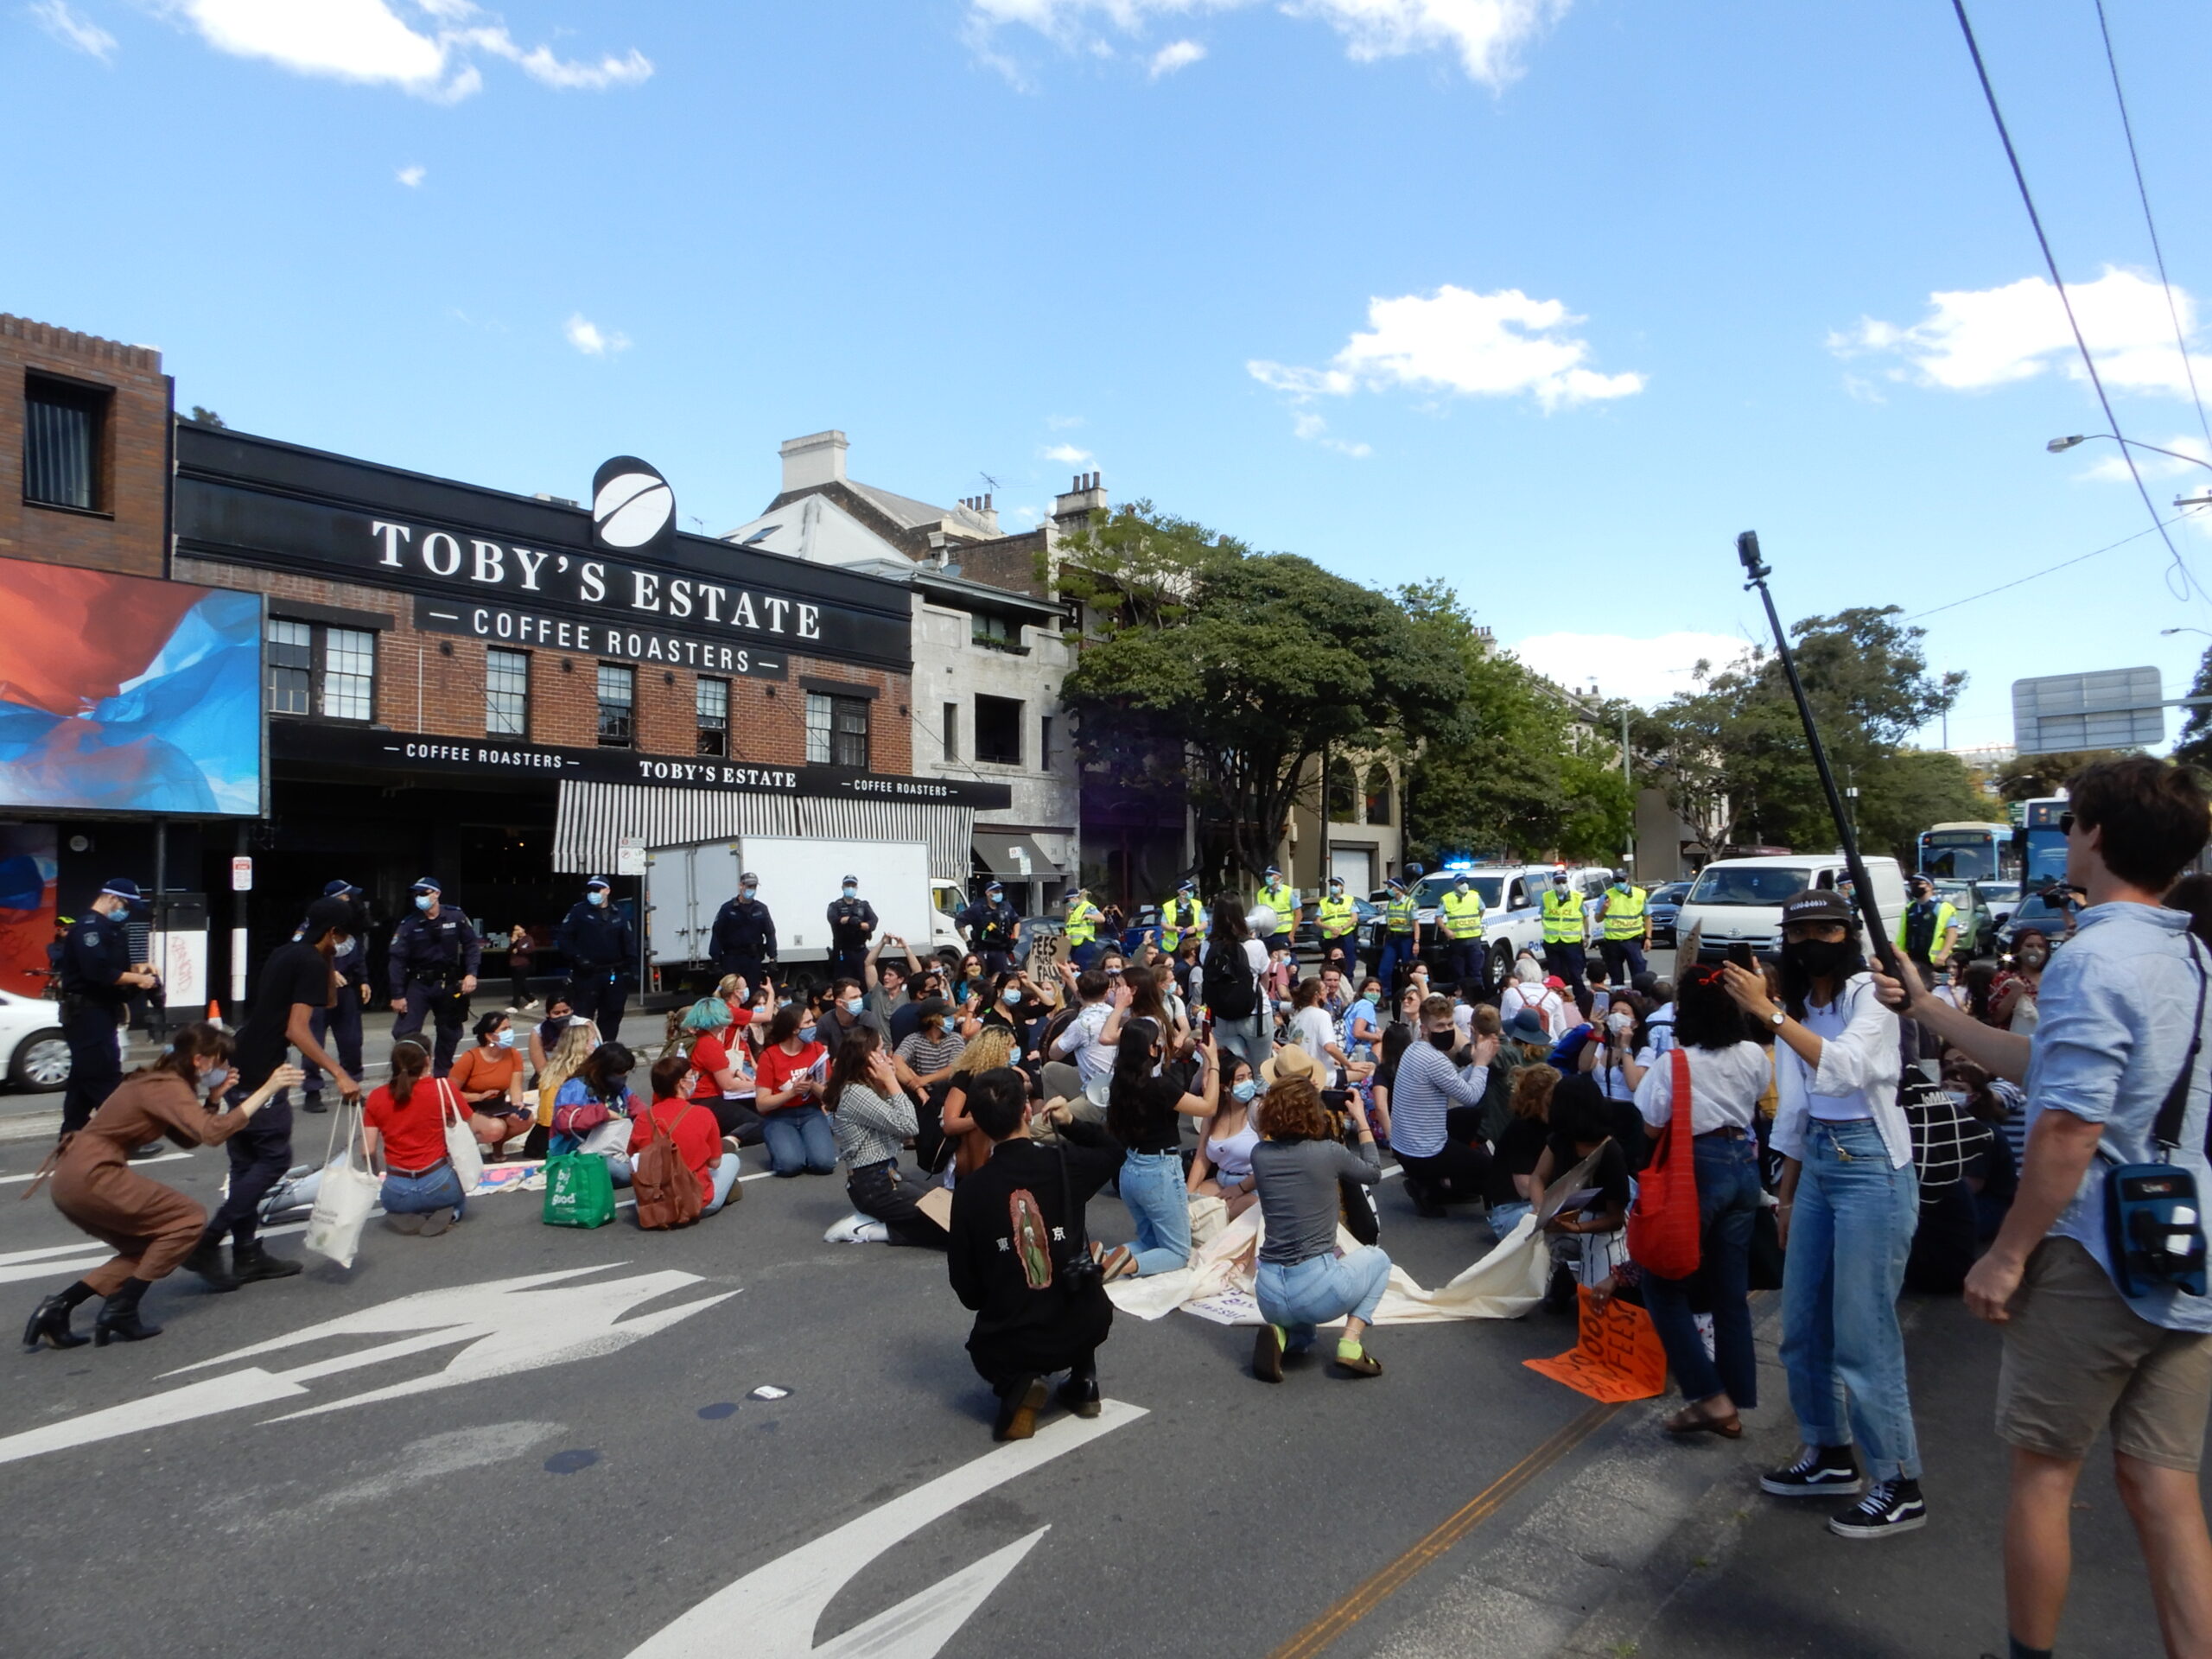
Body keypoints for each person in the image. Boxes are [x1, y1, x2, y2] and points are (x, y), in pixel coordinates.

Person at [1878, 758, 2212, 1656]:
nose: (2066, 838)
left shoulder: (2090, 955)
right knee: (2163, 1484)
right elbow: (2054, 1070)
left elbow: (2066, 1124)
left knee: (2043, 1476)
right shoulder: (2191, 955)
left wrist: (2009, 1252)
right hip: (2182, 1248)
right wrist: (1927, 1010)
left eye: (2071, 825)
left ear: (2098, 835)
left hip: (2088, 1255)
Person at [1720, 888, 1921, 1539]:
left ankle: (1897, 1478)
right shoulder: (1805, 1003)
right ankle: (1829, 1451)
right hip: (1818, 1166)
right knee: (1801, 1321)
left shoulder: (1873, 994)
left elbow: (1843, 1069)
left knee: (1864, 1332)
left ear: (1850, 934)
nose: (1813, 942)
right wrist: (1785, 1193)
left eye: (1828, 931)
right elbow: (1799, 1108)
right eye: (1800, 930)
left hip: (1870, 1165)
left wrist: (1769, 1014)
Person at [24, 1027, 301, 1349]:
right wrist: (267, 1089)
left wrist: (212, 1100)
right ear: (200, 1060)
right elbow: (212, 1135)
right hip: (94, 1172)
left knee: (145, 1249)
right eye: (222, 1062)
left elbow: (189, 1138)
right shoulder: (167, 1087)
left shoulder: (161, 1081)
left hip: (74, 1174)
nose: (226, 1069)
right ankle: (122, 1308)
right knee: (189, 1219)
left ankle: (58, 1307)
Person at [190, 893, 362, 1289]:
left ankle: (247, 1254)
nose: (344, 943)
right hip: (265, 1069)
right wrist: (339, 1072)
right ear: (334, 932)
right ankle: (210, 1239)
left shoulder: (290, 953)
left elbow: (330, 1000)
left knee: (246, 1164)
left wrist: (329, 957)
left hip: (240, 1060)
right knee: (273, 1158)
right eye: (342, 937)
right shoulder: (306, 962)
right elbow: (297, 1029)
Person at [1630, 964, 1770, 1440]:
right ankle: (1733, 1403)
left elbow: (1651, 1124)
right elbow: (1755, 1100)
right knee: (1731, 1293)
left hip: (1696, 1168)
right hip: (1743, 1165)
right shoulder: (1753, 1053)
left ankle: (1708, 1396)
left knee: (1664, 1283)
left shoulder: (1676, 1063)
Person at [947, 1067, 1121, 1440]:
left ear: (976, 1121)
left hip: (1014, 1334)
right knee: (1075, 1276)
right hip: (1085, 1320)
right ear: (1028, 1110)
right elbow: (1113, 1151)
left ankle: (1019, 1386)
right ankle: (1084, 1381)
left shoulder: (971, 1191)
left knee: (985, 1347)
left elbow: (966, 1286)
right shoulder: (1063, 1164)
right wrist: (1071, 1122)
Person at [1249, 1071, 1390, 1381]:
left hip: (1269, 1290)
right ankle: (1350, 1345)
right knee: (1379, 1260)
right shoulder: (1328, 1152)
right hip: (1316, 1286)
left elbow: (1266, 1133)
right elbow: (1373, 1172)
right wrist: (1361, 1121)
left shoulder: (1259, 1155)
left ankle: (1282, 1335)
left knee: (1305, 1337)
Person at [1106, 1020, 1219, 1276]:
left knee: (1150, 1243)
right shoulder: (1159, 1087)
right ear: (1150, 1049)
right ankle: (1127, 1264)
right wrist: (1213, 1062)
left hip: (1130, 1170)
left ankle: (1101, 1258)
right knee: (1178, 1253)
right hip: (1159, 1172)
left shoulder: (1119, 1084)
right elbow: (1208, 1107)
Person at [819, 1028, 946, 1249]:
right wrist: (891, 1080)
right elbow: (908, 1126)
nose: (888, 1055)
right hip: (874, 1186)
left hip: (888, 1176)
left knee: (946, 1206)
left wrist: (886, 1082)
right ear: (867, 1057)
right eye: (880, 1049)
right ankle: (871, 1230)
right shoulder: (855, 1093)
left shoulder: (867, 1088)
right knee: (949, 1230)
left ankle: (884, 1220)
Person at [57, 877, 158, 1139]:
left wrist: (139, 969)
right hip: (87, 1014)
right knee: (104, 1075)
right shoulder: (88, 929)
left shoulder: (109, 930)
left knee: (84, 1078)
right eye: (125, 904)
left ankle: (70, 1136)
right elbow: (98, 972)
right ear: (112, 898)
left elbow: (115, 969)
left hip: (100, 1011)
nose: (125, 911)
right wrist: (140, 979)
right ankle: (129, 1134)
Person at [1389, 994, 1497, 1217]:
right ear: (1425, 1028)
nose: (1446, 1029)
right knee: (1490, 1171)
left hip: (1403, 1145)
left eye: (1450, 1024)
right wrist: (1482, 1064)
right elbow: (1471, 1095)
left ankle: (1439, 1183)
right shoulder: (1434, 1060)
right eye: (1439, 1025)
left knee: (1469, 1117)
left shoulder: (1415, 1048)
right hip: (1424, 1151)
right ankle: (1435, 1187)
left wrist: (1475, 1064)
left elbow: (1453, 1080)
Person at [361, 1039, 470, 1235]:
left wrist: (376, 1172)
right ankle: (452, 1212)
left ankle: (400, 1213)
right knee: (458, 1198)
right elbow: (475, 1124)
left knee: (395, 1203)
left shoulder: (376, 1097)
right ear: (427, 1061)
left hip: (397, 1186)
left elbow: (367, 1151)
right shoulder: (442, 1088)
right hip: (438, 1180)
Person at [389, 876, 481, 1075]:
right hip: (419, 983)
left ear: (436, 894)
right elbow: (396, 960)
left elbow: (472, 945)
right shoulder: (410, 923)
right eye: (416, 894)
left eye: (423, 893)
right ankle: (408, 1074)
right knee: (405, 1032)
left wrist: (471, 974)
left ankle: (442, 1075)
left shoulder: (455, 916)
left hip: (448, 982)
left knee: (450, 1030)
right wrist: (397, 995)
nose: (418, 898)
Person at [631, 1052, 741, 1218]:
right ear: (682, 1083)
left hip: (654, 1202)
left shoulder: (643, 1118)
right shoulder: (703, 1114)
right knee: (731, 1160)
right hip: (695, 1201)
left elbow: (633, 1160)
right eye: (691, 1076)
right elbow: (715, 1163)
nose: (694, 1079)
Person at [302, 879, 370, 1114]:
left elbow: (360, 957)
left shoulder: (352, 929)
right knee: (313, 1041)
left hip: (347, 993)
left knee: (352, 1041)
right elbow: (302, 954)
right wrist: (328, 972)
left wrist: (363, 981)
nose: (352, 902)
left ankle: (352, 1086)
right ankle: (312, 1091)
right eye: (346, 897)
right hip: (318, 991)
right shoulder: (312, 928)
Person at [751, 1004, 835, 1176]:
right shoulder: (769, 1057)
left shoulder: (818, 1050)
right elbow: (762, 1104)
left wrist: (812, 1086)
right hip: (779, 1115)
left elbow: (829, 1096)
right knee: (790, 1166)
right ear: (795, 1029)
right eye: (808, 1022)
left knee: (824, 1164)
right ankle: (785, 1148)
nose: (814, 1025)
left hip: (811, 1111)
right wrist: (792, 1092)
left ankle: (804, 1146)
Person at [549, 1042, 641, 1185]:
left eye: (626, 1072)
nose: (623, 1076)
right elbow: (564, 1121)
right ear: (603, 1070)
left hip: (614, 1149)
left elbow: (641, 1113)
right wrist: (603, 1113)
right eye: (619, 1072)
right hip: (577, 1153)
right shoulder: (575, 1088)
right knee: (621, 1172)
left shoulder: (621, 1090)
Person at [556, 876, 636, 1041]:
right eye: (590, 890)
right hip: (587, 973)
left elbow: (628, 941)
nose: (593, 893)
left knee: (612, 1014)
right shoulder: (579, 911)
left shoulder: (618, 912)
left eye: (597, 890)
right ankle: (582, 1052)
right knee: (582, 1017)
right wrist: (578, 958)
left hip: (613, 973)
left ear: (607, 891)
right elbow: (564, 939)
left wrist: (630, 967)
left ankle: (606, 1049)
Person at [448, 1008, 532, 1157]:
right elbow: (449, 1093)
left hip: (497, 1105)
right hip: (471, 1107)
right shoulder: (470, 1058)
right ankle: (464, 1149)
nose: (509, 1032)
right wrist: (478, 1097)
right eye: (504, 1029)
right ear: (489, 1036)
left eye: (510, 1028)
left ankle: (498, 1145)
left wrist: (517, 1103)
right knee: (496, 1128)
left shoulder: (513, 1054)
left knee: (526, 1119)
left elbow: (515, 1087)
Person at [1200, 895, 1270, 1071]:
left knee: (1233, 1070)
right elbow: (1265, 979)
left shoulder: (1206, 946)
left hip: (1223, 1016)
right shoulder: (1256, 946)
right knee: (1260, 1070)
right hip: (1255, 1015)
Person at [1484, 1064, 1555, 1236]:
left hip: (1536, 1203)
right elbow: (1525, 1188)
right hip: (1512, 1210)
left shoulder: (1553, 1125)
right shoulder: (1522, 1130)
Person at [680, 995, 762, 1143]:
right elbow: (729, 1085)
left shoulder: (697, 1040)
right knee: (759, 1124)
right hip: (705, 1099)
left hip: (693, 1098)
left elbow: (710, 1068)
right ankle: (732, 1140)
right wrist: (759, 1085)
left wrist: (736, 1072)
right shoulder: (711, 1045)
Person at [1187, 1056, 1262, 1219]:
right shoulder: (1212, 1115)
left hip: (1253, 1184)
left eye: (1250, 1076)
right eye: (1240, 1079)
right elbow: (1201, 1158)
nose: (1247, 1083)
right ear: (1224, 1087)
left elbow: (1272, 1162)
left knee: (1216, 1218)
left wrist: (1241, 1188)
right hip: (1222, 1180)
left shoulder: (1258, 1111)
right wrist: (1188, 1195)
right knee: (1188, 1212)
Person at [709, 872, 778, 989]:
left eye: (754, 887)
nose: (752, 889)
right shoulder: (727, 909)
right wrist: (715, 960)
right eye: (749, 886)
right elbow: (717, 934)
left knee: (753, 993)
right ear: (741, 886)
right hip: (731, 959)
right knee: (733, 992)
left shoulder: (761, 909)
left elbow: (770, 933)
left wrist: (773, 958)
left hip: (753, 959)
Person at [1895, 874, 1961, 984]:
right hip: (1913, 958)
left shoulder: (1943, 907)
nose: (1913, 887)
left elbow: (1952, 933)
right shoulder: (1910, 908)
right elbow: (1903, 934)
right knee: (1916, 988)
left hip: (1936, 961)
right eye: (1911, 884)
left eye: (1918, 884)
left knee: (1941, 987)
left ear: (1930, 886)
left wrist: (1943, 955)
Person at [1595, 873, 1651, 985]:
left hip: (1632, 941)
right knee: (1616, 977)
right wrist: (1604, 910)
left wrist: (1648, 938)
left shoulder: (1640, 894)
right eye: (1616, 881)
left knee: (1639, 975)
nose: (1619, 883)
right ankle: (1618, 998)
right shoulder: (1606, 896)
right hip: (1613, 943)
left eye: (1621, 880)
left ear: (1627, 880)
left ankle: (1639, 998)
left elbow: (1648, 917)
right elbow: (1597, 919)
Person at [1993, 929, 2051, 1036]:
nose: (2036, 950)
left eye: (2040, 946)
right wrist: (2014, 993)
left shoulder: (2053, 977)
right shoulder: (2006, 978)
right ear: (2018, 949)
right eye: (2029, 946)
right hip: (2016, 1040)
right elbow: (1997, 1017)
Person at [1439, 874, 1489, 995]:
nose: (1464, 885)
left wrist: (1477, 920)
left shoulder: (1475, 896)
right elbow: (1438, 917)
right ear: (1455, 884)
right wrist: (1446, 930)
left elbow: (1482, 909)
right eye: (1461, 882)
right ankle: (1462, 996)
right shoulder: (1447, 898)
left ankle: (1478, 996)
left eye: (1466, 882)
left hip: (1473, 938)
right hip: (1457, 941)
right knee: (1459, 973)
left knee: (1475, 971)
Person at [960, 881, 1023, 976]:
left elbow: (1016, 921)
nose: (999, 893)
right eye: (996, 891)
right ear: (988, 893)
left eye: (1000, 891)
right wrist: (967, 940)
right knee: (981, 977)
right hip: (982, 949)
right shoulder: (977, 908)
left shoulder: (1006, 906)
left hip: (1000, 950)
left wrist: (1015, 938)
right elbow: (959, 922)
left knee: (1001, 977)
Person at [825, 874, 878, 987]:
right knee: (843, 984)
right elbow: (834, 920)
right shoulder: (835, 906)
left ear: (857, 887)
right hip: (843, 951)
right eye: (848, 885)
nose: (850, 887)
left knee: (864, 982)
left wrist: (859, 924)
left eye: (853, 885)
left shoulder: (863, 905)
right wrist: (849, 920)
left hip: (860, 951)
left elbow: (873, 922)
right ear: (842, 887)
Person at [1540, 870, 1587, 988]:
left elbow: (1585, 917)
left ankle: (1581, 999)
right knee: (1555, 976)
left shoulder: (1577, 897)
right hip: (1552, 942)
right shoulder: (1546, 897)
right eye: (1558, 881)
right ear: (1553, 883)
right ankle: (1556, 1000)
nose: (1561, 884)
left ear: (1567, 882)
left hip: (1571, 942)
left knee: (1575, 974)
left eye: (1563, 881)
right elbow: (1542, 916)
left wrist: (1587, 935)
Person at [1315, 875, 1360, 981]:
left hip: (1345, 935)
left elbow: (1354, 918)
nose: (1333, 887)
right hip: (1330, 937)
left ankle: (1348, 985)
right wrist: (1331, 928)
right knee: (1329, 964)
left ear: (1342, 887)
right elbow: (1317, 921)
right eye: (1331, 885)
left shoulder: (1349, 900)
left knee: (1348, 963)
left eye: (1336, 885)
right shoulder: (1324, 902)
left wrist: (1341, 929)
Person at [1255, 866, 1299, 955]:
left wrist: (1291, 934)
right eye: (1266, 875)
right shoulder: (1261, 893)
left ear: (1279, 876)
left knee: (1284, 961)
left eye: (1270, 875)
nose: (1267, 877)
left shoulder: (1288, 891)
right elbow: (1257, 914)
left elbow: (1298, 914)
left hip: (1283, 934)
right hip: (1266, 934)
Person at [1161, 879, 1208, 957]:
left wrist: (1195, 929)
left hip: (1195, 943)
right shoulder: (1169, 906)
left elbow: (1205, 923)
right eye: (1189, 890)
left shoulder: (1197, 904)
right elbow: (1163, 924)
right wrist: (1175, 929)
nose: (1191, 893)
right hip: (1176, 944)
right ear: (1180, 892)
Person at [1062, 887, 1104, 970]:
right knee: (1075, 968)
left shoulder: (1087, 907)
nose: (1068, 904)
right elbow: (1070, 927)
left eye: (1069, 901)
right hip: (1074, 944)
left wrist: (1088, 916)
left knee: (1083, 967)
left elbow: (1101, 918)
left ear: (1075, 898)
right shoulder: (1074, 910)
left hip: (1085, 942)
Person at [505, 921, 534, 1009]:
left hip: (523, 964)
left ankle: (515, 1006)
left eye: (518, 929)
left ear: (523, 929)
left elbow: (530, 950)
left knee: (518, 986)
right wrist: (513, 942)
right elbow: (508, 950)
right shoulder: (515, 939)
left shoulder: (528, 939)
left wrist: (519, 949)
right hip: (514, 964)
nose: (516, 931)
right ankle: (532, 1000)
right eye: (515, 930)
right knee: (519, 984)